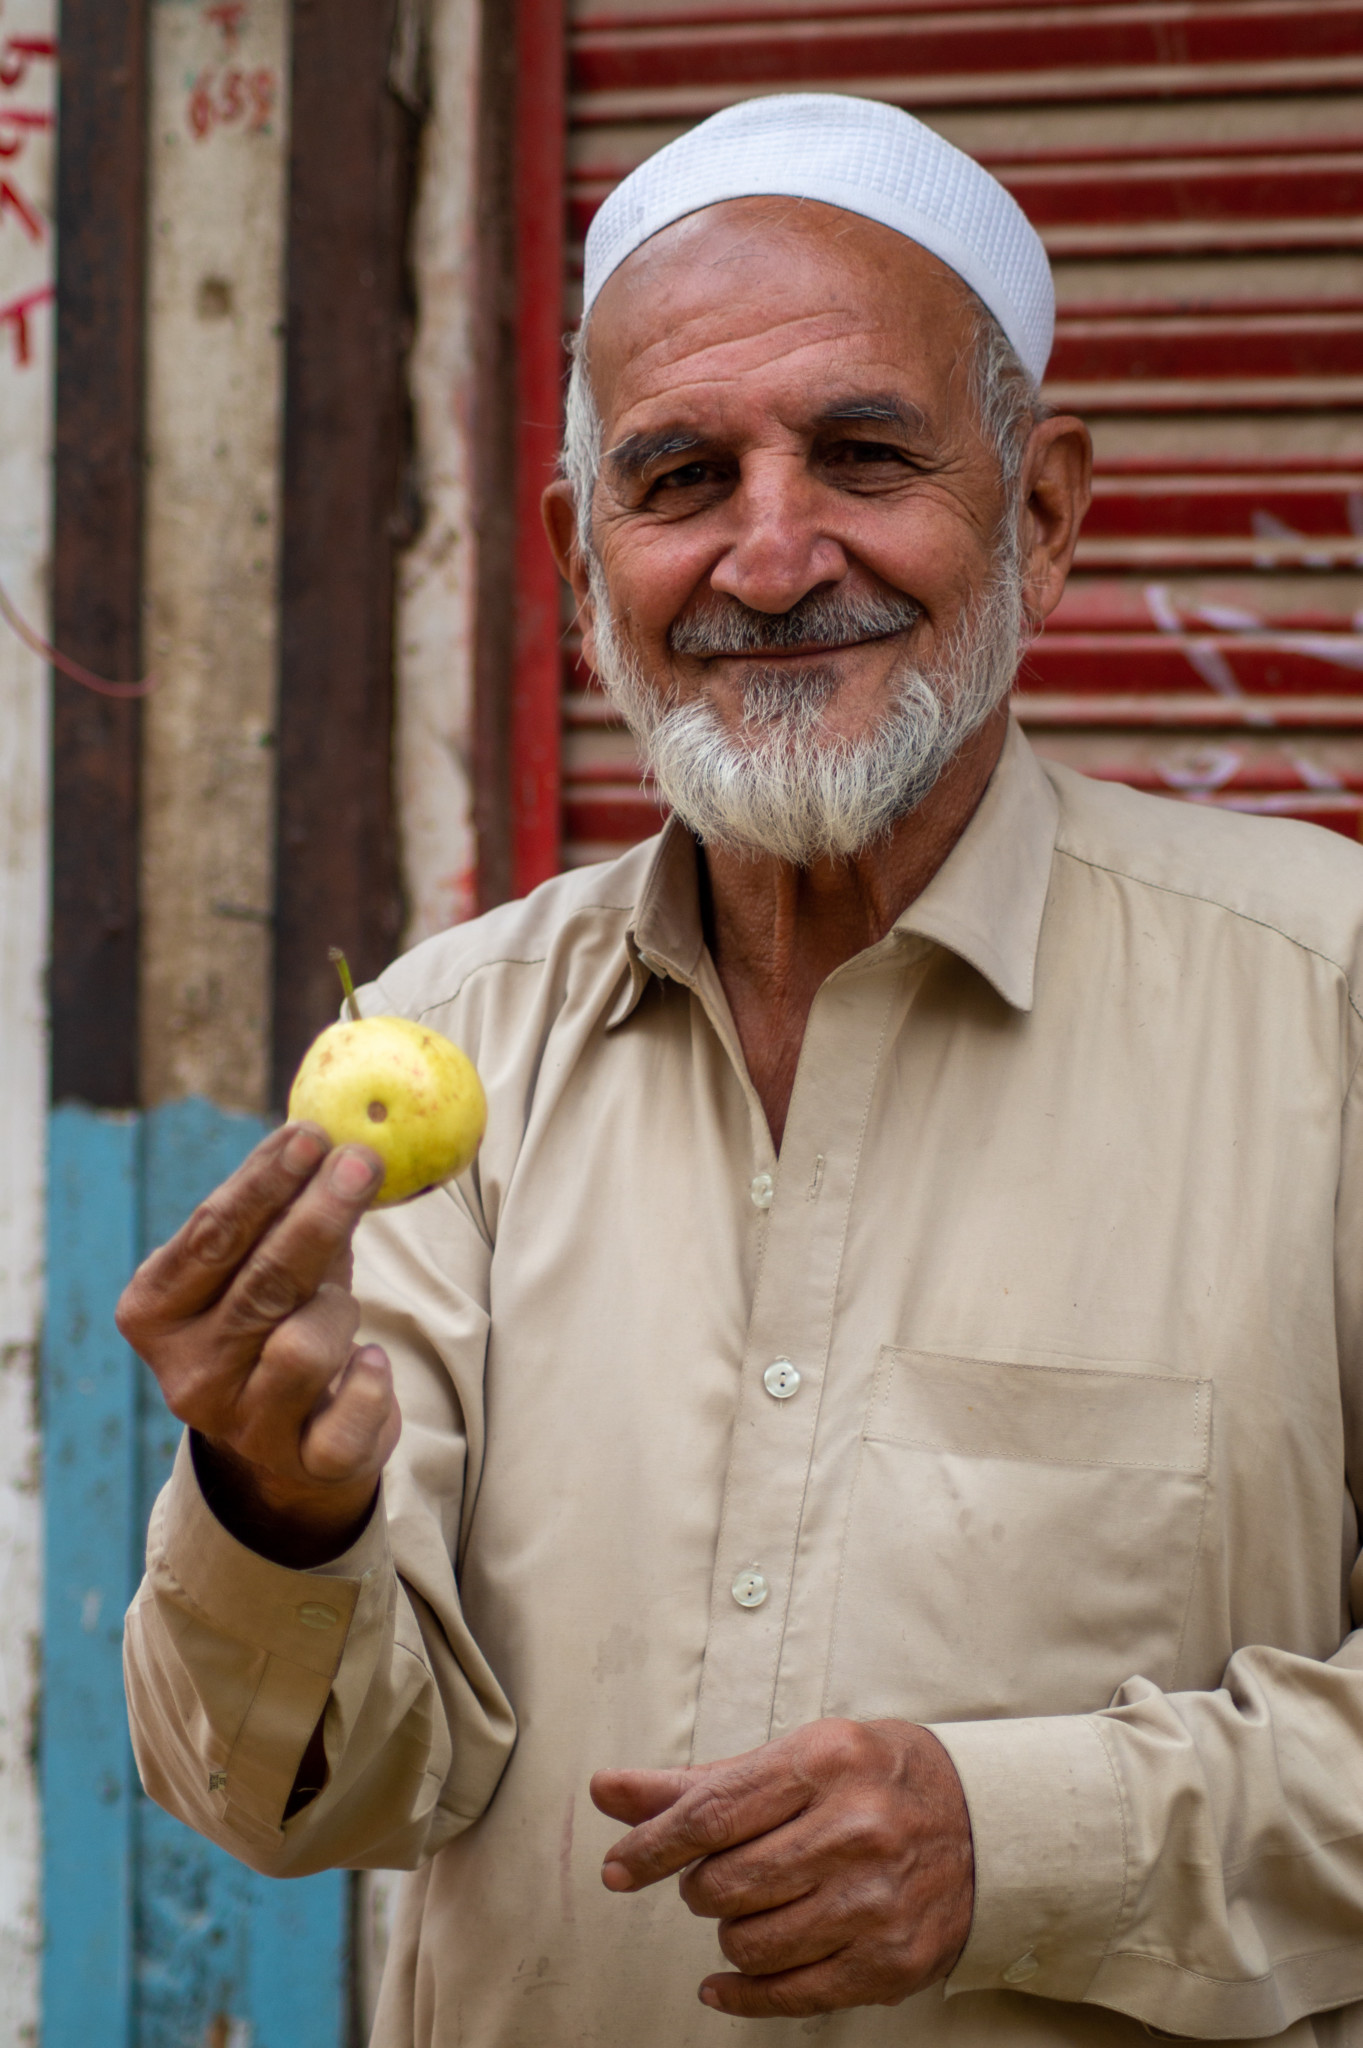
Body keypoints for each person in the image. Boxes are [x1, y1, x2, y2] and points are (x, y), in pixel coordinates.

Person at [119, 93, 1363, 2047]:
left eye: (863, 454)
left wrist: (1026, 1836)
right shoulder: (447, 1042)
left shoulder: (1327, 1005)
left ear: (1041, 510)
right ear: (580, 550)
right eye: (680, 476)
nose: (770, 560)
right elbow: (302, 1791)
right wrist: (279, 1506)